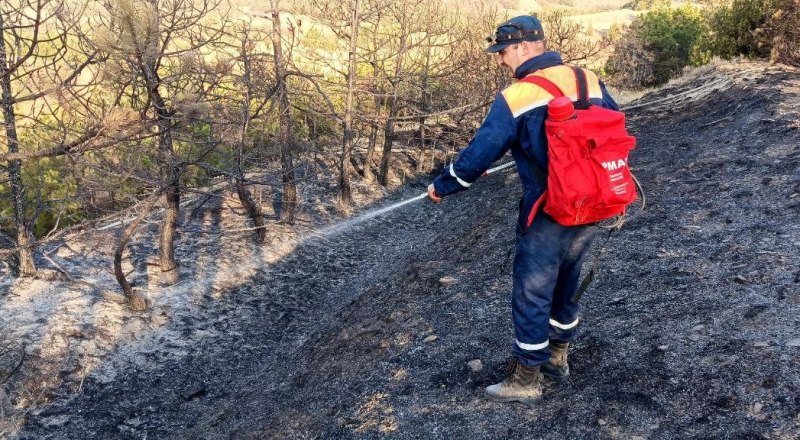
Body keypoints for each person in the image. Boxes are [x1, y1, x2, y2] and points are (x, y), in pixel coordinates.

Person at [427, 15, 620, 404]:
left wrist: (443, 185)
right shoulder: (589, 79)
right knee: (568, 279)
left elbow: (479, 154)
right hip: (594, 203)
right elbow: (614, 128)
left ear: (528, 47)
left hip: (548, 209)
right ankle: (558, 357)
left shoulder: (519, 95)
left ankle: (525, 378)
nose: (501, 61)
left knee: (532, 291)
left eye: (504, 52)